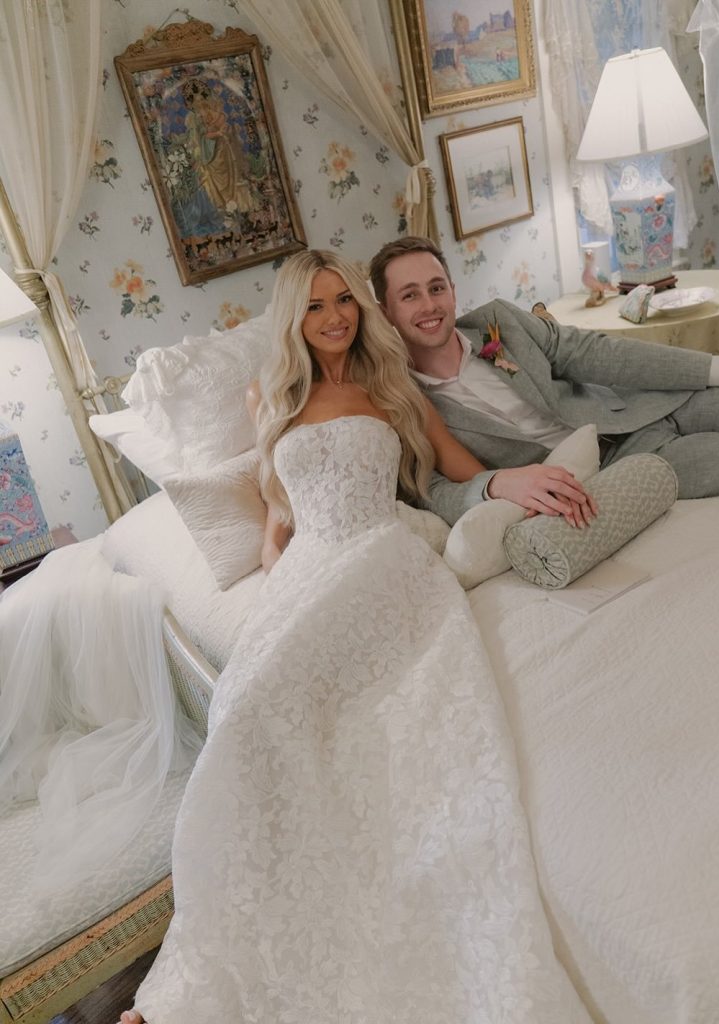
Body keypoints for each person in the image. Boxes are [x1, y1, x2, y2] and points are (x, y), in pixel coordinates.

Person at [120, 250, 591, 1023]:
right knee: (244, 713)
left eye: (343, 300)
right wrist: (281, 592)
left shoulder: (387, 383)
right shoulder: (266, 396)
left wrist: (514, 485)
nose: (335, 316)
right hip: (311, 568)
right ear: (292, 320)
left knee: (283, 709)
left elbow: (457, 468)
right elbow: (277, 525)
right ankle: (202, 978)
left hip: (383, 560)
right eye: (315, 306)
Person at [369, 236, 719, 525]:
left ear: (453, 292)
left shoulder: (499, 322)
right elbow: (429, 493)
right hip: (623, 467)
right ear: (385, 310)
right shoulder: (404, 403)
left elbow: (597, 354)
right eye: (410, 295)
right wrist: (496, 485)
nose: (429, 305)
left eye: (436, 288)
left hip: (640, 406)